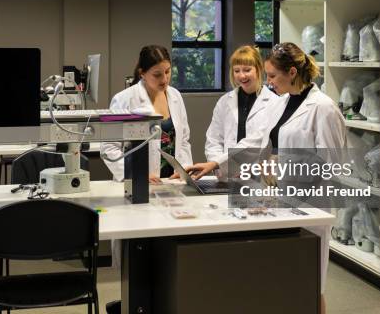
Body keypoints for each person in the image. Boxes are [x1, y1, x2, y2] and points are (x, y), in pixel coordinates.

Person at [188, 42, 346, 313]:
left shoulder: (324, 108)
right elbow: (255, 142)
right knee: (285, 279)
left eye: (272, 76)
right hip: (280, 202)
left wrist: (284, 168)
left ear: (293, 72)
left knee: (312, 282)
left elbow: (334, 165)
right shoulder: (282, 102)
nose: (269, 82)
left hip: (311, 207)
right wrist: (216, 162)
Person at [101, 45, 192, 183]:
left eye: (167, 72)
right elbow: (109, 147)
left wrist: (183, 169)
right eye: (157, 75)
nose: (164, 79)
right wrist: (136, 174)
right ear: (142, 73)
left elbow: (183, 141)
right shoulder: (124, 99)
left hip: (172, 181)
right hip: (138, 182)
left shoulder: (175, 96)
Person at [204, 45, 278, 175]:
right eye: (236, 70)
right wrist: (218, 166)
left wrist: (217, 162)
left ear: (259, 69)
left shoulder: (274, 102)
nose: (241, 75)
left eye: (247, 70)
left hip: (258, 174)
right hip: (227, 175)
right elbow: (214, 140)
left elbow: (256, 141)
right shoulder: (224, 101)